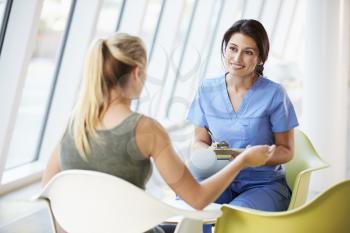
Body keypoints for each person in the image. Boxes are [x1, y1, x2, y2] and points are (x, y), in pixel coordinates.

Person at [42, 33, 275, 233]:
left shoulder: (74, 123)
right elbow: (198, 199)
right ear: (136, 72)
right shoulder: (145, 129)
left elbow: (51, 190)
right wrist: (243, 160)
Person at [187, 19, 299, 224]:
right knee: (192, 211)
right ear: (225, 49)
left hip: (262, 185)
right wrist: (207, 154)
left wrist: (252, 157)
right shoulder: (206, 90)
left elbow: (287, 151)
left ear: (260, 59)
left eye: (248, 52)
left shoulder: (274, 94)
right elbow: (199, 141)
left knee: (233, 218)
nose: (237, 58)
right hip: (220, 177)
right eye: (233, 48)